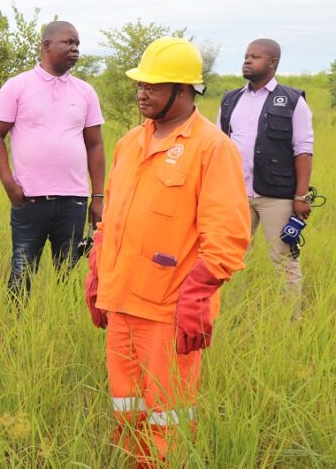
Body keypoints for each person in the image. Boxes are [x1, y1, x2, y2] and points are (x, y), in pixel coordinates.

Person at [84, 38, 250, 464]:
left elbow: (228, 236)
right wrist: (97, 273)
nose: (142, 92)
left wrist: (196, 298)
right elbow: (111, 220)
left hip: (168, 311)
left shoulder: (212, 149)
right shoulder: (128, 143)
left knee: (168, 416)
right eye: (140, 84)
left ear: (184, 90)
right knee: (127, 407)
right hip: (121, 302)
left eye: (153, 86)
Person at [0, 20, 105, 302]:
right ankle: (16, 330)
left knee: (69, 273)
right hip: (29, 199)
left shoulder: (85, 91)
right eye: (68, 42)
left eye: (77, 43)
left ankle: (60, 327)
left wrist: (98, 196)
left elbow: (96, 144)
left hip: (74, 200)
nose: (75, 49)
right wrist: (9, 185)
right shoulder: (17, 86)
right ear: (46, 45)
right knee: (22, 270)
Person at [218, 39, 314, 318]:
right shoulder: (230, 99)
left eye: (255, 57)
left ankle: (290, 321)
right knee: (230, 258)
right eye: (246, 56)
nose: (247, 61)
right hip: (236, 194)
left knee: (284, 259)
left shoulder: (293, 100)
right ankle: (229, 316)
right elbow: (218, 146)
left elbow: (303, 150)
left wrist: (301, 197)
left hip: (277, 195)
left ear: (272, 62)